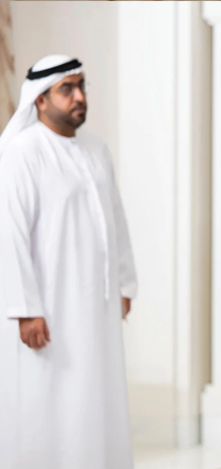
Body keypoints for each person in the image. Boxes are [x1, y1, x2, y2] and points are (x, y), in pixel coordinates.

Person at [0, 55, 137, 469]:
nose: (79, 97)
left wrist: (123, 282)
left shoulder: (95, 148)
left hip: (96, 307)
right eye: (67, 89)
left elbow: (115, 218)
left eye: (81, 86)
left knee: (97, 398)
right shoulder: (21, 153)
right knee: (48, 402)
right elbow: (9, 234)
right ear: (40, 100)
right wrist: (25, 309)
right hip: (48, 309)